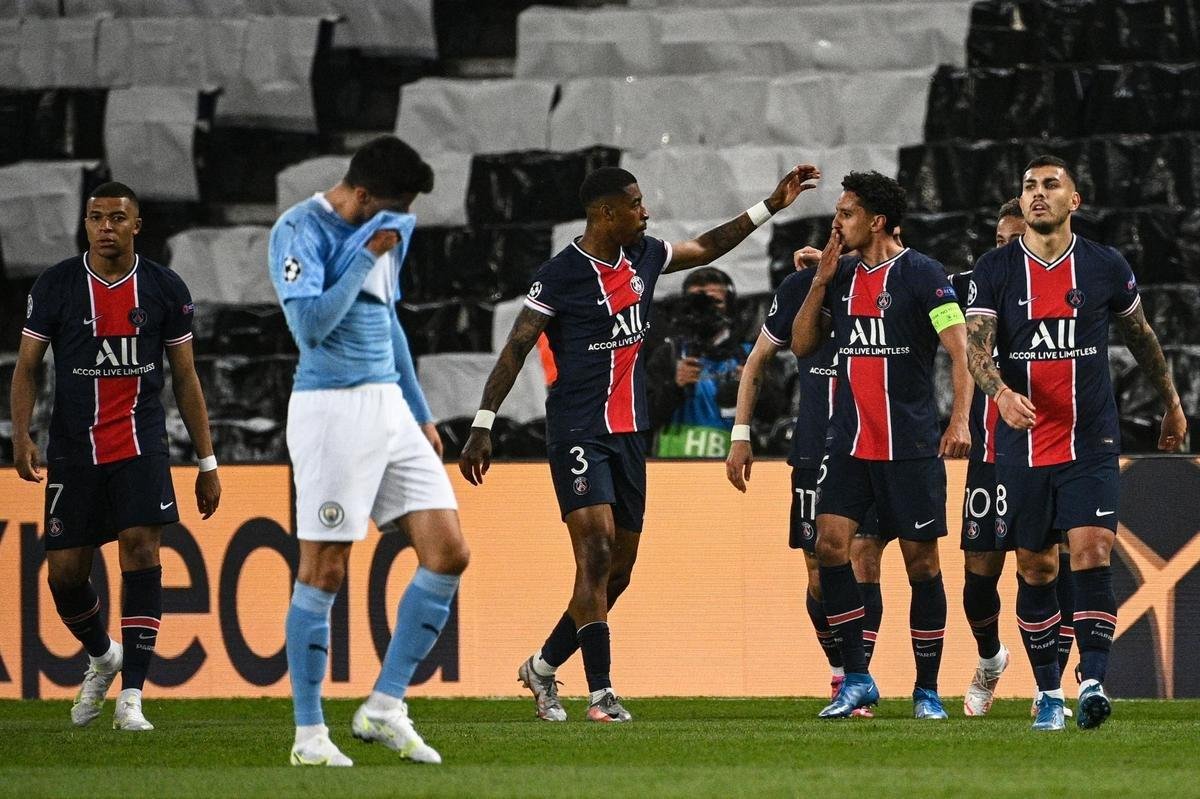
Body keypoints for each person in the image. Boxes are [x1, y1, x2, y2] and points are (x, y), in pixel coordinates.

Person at [459, 163, 821, 723]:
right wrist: (483, 422)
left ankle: (542, 666)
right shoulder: (559, 276)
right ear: (606, 213)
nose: (645, 212)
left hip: (630, 434)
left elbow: (707, 247)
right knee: (596, 551)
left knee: (617, 573)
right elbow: (517, 347)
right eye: (635, 204)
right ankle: (601, 693)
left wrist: (771, 205)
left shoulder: (644, 256)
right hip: (577, 430)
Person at [965, 155, 1187, 731]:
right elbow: (977, 350)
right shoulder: (995, 268)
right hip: (1023, 442)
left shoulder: (1103, 265)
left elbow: (1141, 336)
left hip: (1090, 438)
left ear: (1075, 200)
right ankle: (1048, 692)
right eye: (1029, 186)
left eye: (1050, 185)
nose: (1037, 193)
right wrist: (1000, 394)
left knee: (1092, 550)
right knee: (1036, 567)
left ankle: (1092, 682)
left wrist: (1171, 402)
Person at [269, 136, 470, 766]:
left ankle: (384, 707)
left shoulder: (385, 228)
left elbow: (388, 321)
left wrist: (420, 411)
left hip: (389, 407)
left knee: (449, 552)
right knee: (324, 569)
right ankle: (309, 736)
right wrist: (363, 255)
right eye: (394, 205)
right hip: (331, 409)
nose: (403, 218)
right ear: (360, 193)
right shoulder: (298, 230)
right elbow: (310, 328)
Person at [11, 181, 222, 731]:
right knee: (65, 576)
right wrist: (22, 435)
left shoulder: (164, 288)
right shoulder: (56, 285)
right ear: (85, 224)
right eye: (96, 217)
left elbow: (185, 377)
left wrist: (207, 463)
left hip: (140, 444)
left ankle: (132, 697)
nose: (106, 227)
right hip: (73, 451)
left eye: (118, 217)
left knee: (140, 547)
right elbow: (28, 366)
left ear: (137, 225)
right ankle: (104, 656)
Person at [791, 171, 973, 719]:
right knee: (830, 547)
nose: (836, 222)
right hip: (849, 443)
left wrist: (959, 422)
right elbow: (802, 344)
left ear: (876, 221)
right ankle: (857, 678)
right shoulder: (841, 274)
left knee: (922, 565)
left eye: (845, 213)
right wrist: (820, 282)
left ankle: (927, 690)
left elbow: (960, 352)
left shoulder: (925, 275)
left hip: (909, 446)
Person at [725, 246, 888, 717]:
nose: (842, 235)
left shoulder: (888, 283)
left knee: (865, 558)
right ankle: (840, 669)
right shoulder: (800, 287)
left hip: (871, 446)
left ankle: (858, 676)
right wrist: (741, 434)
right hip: (814, 448)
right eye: (837, 224)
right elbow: (758, 359)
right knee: (819, 569)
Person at [957, 198, 1077, 717]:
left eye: (1015, 241)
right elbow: (904, 280)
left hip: (1050, 451)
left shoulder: (1061, 284)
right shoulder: (970, 286)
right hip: (990, 454)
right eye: (999, 241)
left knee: (1048, 564)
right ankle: (990, 659)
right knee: (979, 572)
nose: (1006, 250)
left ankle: (1050, 684)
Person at [646, 267, 785, 458]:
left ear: (730, 306)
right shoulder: (667, 355)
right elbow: (644, 417)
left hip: (733, 465)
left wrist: (754, 387)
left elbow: (775, 414)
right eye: (698, 302)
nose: (706, 309)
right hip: (671, 466)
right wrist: (674, 387)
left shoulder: (752, 355)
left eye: (715, 302)